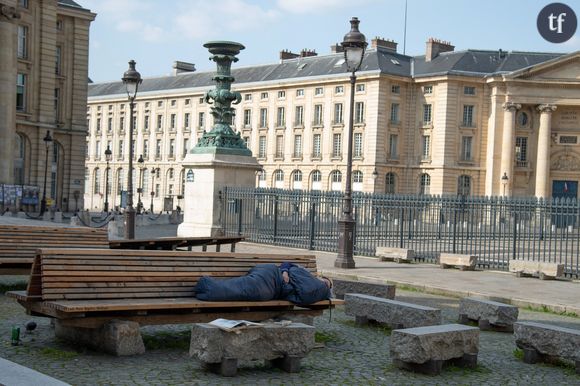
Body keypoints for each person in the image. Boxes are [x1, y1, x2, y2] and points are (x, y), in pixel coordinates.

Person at [194, 262, 333, 306]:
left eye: (327, 282)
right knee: (240, 288)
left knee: (239, 288)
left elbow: (302, 295)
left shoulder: (319, 289)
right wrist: (285, 272)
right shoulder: (307, 274)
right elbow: (286, 265)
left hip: (268, 283)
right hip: (270, 277)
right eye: (325, 279)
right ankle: (207, 287)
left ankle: (207, 287)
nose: (324, 281)